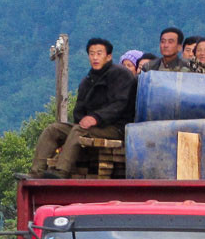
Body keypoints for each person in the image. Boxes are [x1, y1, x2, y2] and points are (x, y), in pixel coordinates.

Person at [27, 38, 136, 179]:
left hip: (116, 128)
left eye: (99, 53)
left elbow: (119, 104)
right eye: (91, 54)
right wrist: (83, 119)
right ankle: (36, 172)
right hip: (90, 128)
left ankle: (61, 172)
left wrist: (96, 118)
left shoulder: (121, 75)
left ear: (108, 56)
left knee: (79, 130)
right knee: (53, 129)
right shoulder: (87, 80)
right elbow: (79, 110)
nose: (95, 57)